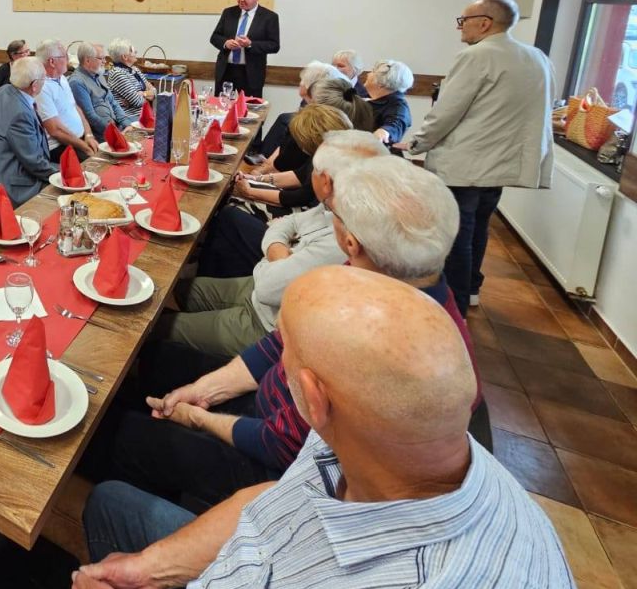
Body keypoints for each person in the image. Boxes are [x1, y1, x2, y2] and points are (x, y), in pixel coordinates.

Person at [77, 266, 570, 589]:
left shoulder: (425, 577)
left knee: (107, 499)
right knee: (112, 501)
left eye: (286, 350)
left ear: (313, 398)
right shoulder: (383, 435)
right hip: (251, 554)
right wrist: (149, 570)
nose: (276, 359)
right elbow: (275, 498)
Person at [84, 155, 479, 513]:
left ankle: (143, 508)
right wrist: (207, 389)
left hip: (277, 471)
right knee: (153, 362)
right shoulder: (387, 277)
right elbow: (279, 344)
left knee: (116, 434)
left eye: (336, 215)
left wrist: (198, 418)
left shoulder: (376, 342)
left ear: (352, 242)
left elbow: (280, 443)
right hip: (267, 403)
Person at [164, 130, 388, 357]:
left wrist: (272, 257)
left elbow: (267, 289)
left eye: (313, 169)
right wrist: (280, 254)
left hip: (265, 326)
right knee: (173, 291)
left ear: (325, 181)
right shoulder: (336, 207)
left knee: (160, 328)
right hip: (259, 289)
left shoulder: (343, 240)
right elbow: (290, 222)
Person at [400, 0, 553, 314]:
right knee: (479, 227)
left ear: (484, 23)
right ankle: (470, 289)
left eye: (464, 21)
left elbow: (447, 112)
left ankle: (453, 306)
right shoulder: (536, 57)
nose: (460, 27)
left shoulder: (476, 56)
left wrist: (416, 145)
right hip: (501, 164)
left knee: (456, 234)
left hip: (465, 164)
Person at [230, 103, 351, 213]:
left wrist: (250, 192)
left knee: (232, 208)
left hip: (311, 215)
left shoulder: (330, 165)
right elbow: (298, 176)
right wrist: (256, 179)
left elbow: (300, 197)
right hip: (306, 208)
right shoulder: (326, 153)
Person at [0, 57, 55, 206]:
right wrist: (59, 177)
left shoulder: (3, 90)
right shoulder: (20, 114)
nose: (45, 82)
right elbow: (34, 162)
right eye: (44, 78)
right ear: (34, 85)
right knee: (65, 192)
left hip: (1, 168)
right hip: (16, 185)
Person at [209, 0, 280, 97]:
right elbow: (214, 37)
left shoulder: (269, 17)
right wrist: (226, 43)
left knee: (250, 107)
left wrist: (250, 44)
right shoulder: (228, 13)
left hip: (251, 73)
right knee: (222, 105)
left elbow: (274, 45)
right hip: (226, 70)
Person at [34, 39, 99, 163]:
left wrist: (89, 135)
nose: (68, 60)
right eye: (65, 56)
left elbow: (75, 107)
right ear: (52, 62)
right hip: (61, 146)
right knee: (99, 166)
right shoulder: (42, 87)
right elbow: (55, 131)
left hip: (79, 140)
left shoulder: (62, 78)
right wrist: (84, 146)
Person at [71, 42, 137, 138]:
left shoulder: (99, 75)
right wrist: (116, 132)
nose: (105, 61)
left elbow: (113, 102)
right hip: (101, 135)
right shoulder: (77, 82)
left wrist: (127, 123)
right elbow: (90, 116)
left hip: (117, 128)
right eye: (101, 58)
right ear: (87, 60)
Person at [364, 58, 414, 144]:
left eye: (372, 71)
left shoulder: (398, 106)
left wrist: (384, 131)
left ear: (381, 83)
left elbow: (395, 124)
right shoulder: (368, 98)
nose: (368, 74)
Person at [106, 38, 156, 115]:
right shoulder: (117, 73)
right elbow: (138, 102)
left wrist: (142, 94)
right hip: (130, 117)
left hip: (144, 114)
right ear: (125, 57)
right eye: (132, 50)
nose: (136, 51)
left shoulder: (135, 70)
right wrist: (147, 95)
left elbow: (154, 92)